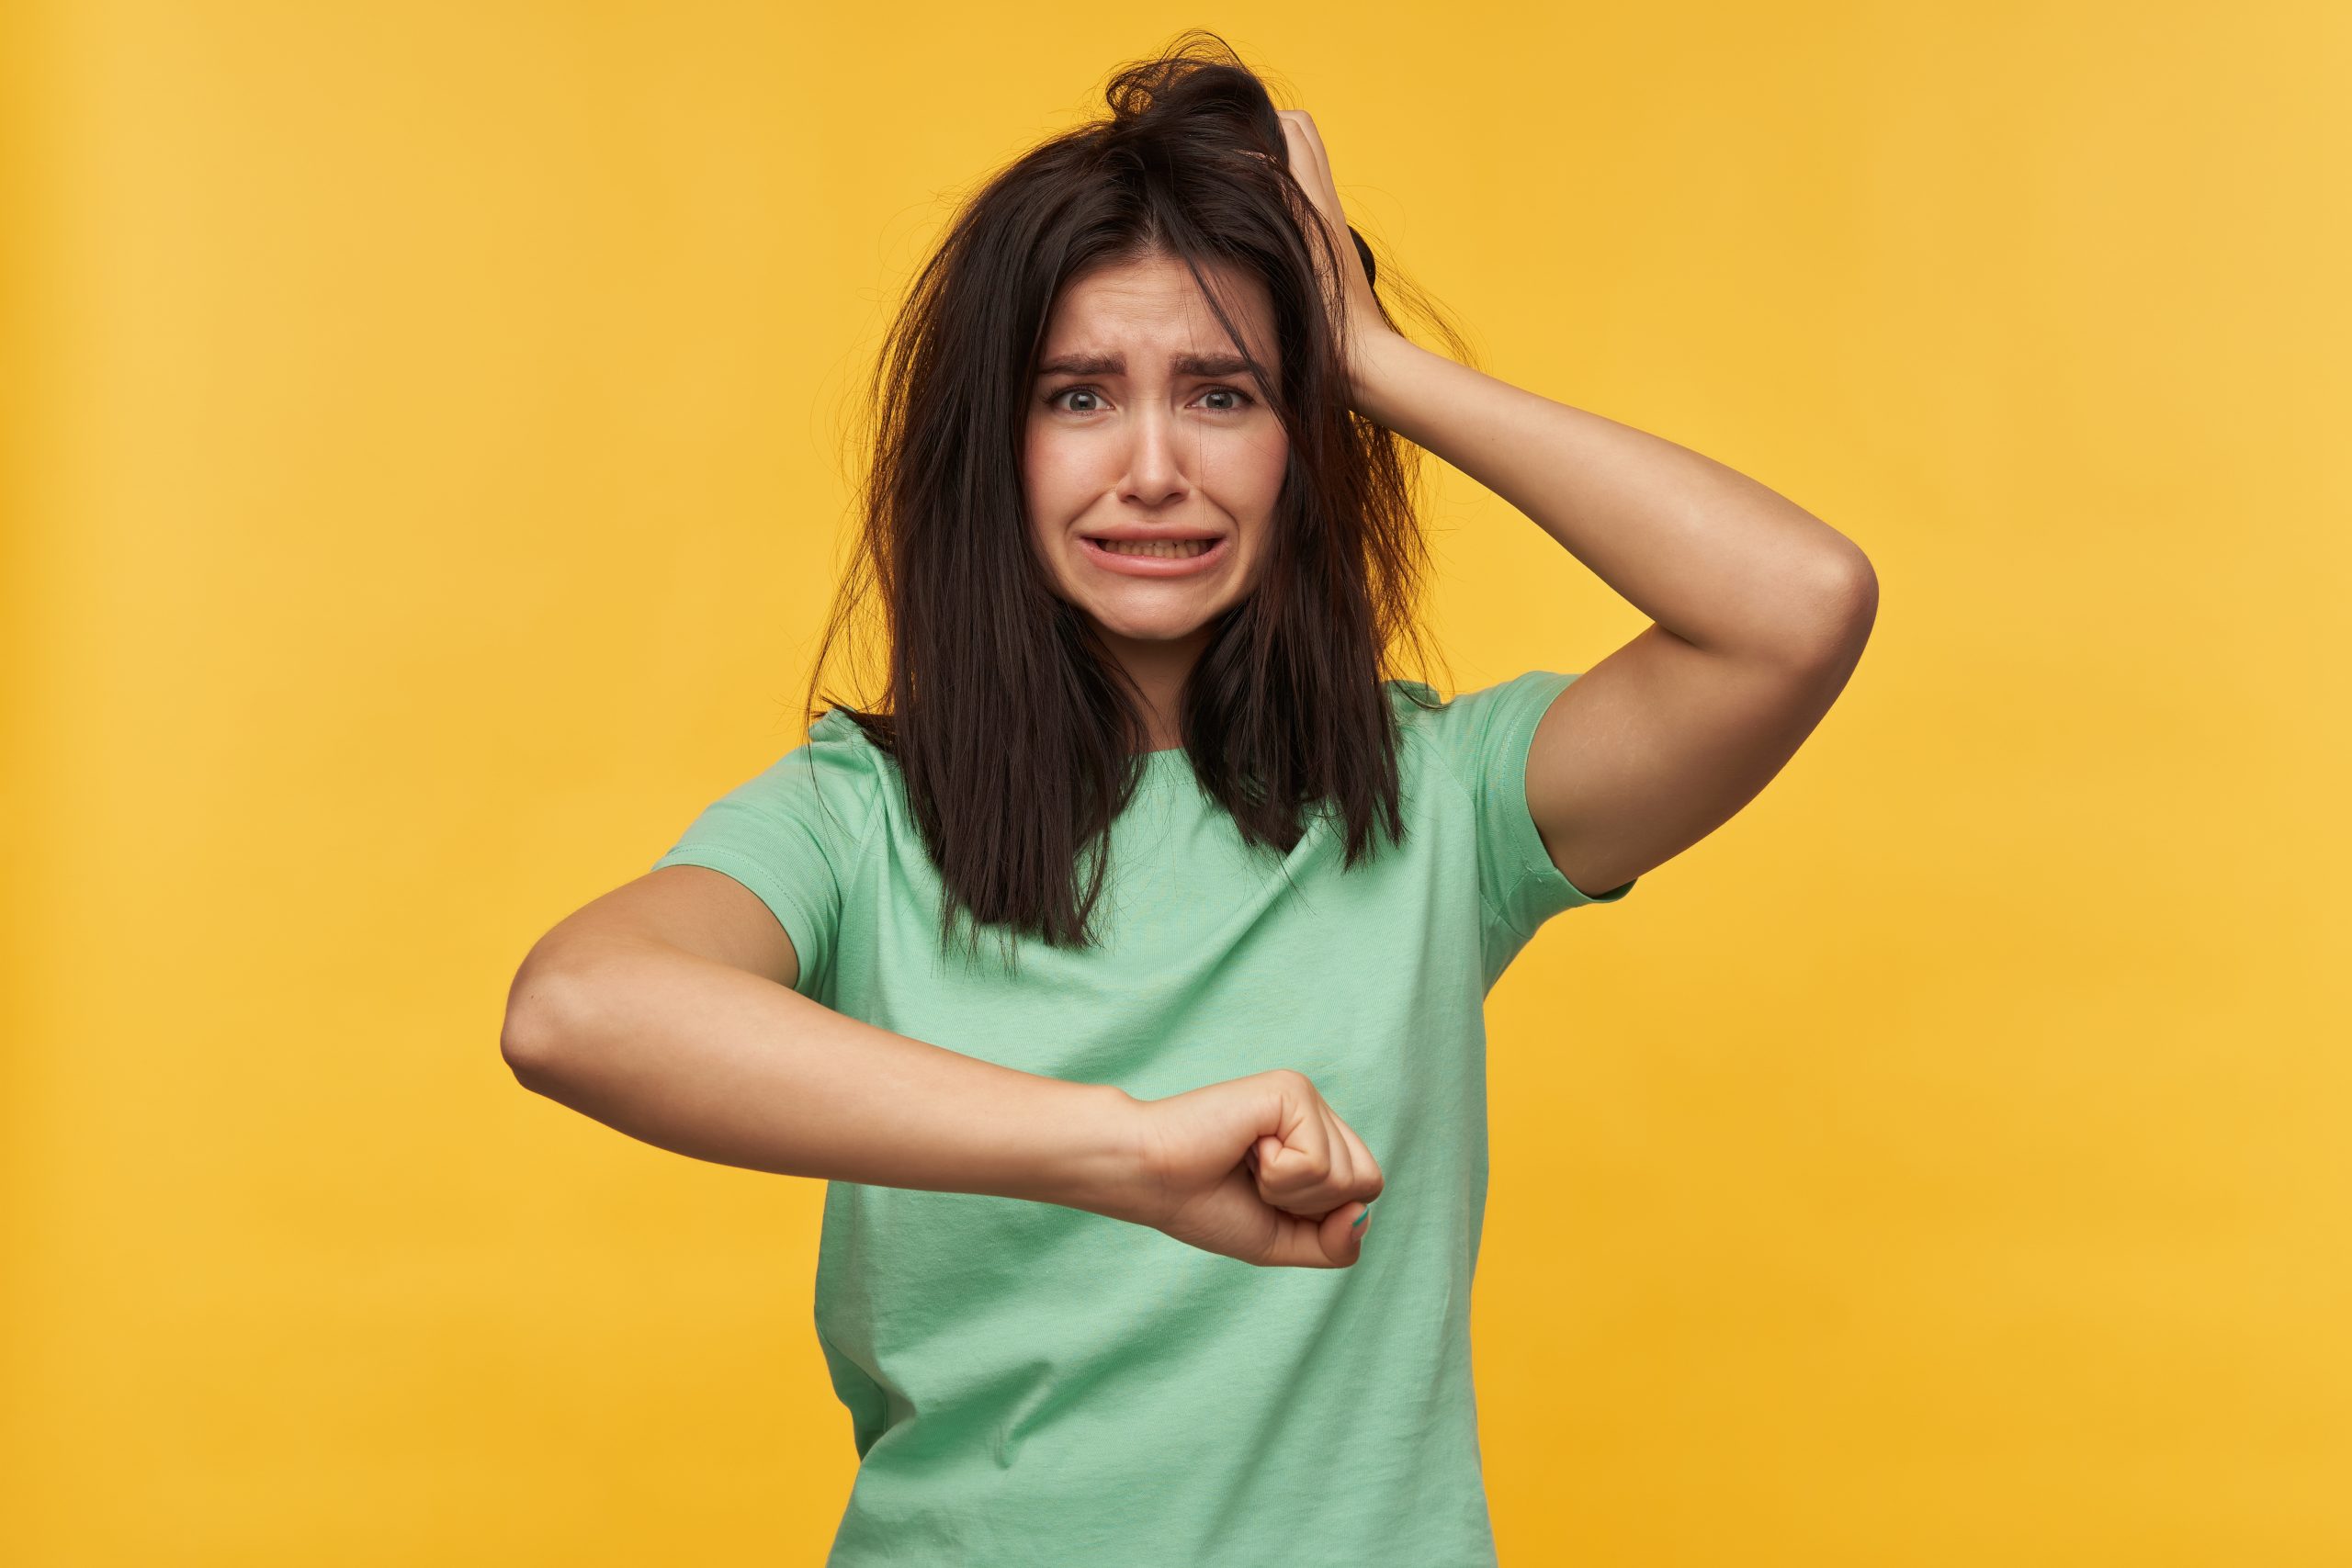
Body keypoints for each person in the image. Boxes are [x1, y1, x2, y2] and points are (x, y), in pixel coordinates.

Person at [500, 30, 1874, 1568]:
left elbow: (1797, 604)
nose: (1153, 468)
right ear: (993, 452)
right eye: (1079, 397)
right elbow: (577, 1010)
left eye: (1224, 396)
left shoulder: (1440, 804)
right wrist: (1124, 1154)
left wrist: (1371, 361)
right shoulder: (858, 820)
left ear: (1303, 445)